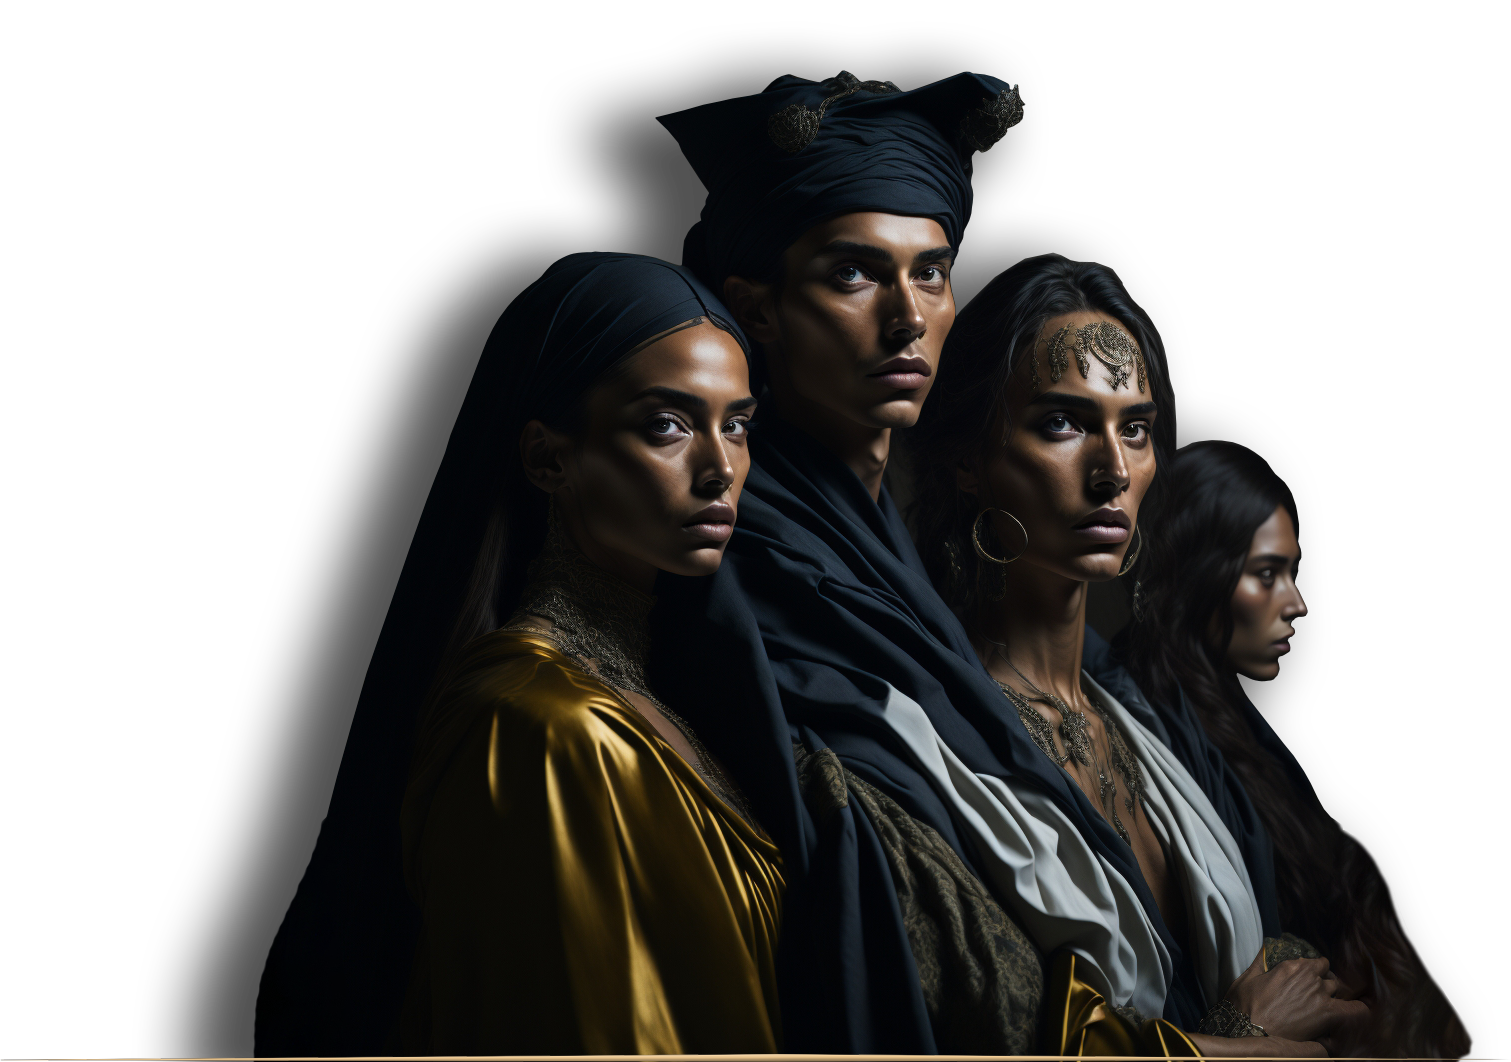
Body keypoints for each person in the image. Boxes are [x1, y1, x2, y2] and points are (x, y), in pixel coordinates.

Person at [654, 72, 1215, 1055]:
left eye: (931, 271)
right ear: (760, 308)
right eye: (854, 273)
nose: (909, 318)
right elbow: (931, 949)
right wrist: (1224, 1039)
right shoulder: (736, 566)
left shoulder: (887, 566)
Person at [257, 253, 780, 1055]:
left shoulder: (629, 693)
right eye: (667, 425)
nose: (720, 470)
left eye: (736, 424)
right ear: (547, 459)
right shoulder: (533, 724)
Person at [1117, 440, 1473, 1056]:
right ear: (1204, 573)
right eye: (1265, 574)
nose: (1295, 603)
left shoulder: (1233, 718)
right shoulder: (1150, 725)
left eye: (1291, 572)